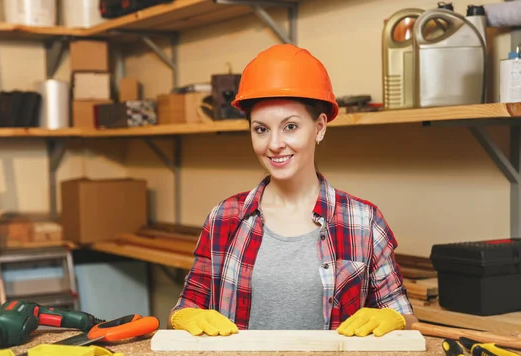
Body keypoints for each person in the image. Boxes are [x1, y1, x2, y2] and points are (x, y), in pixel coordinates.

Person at [168, 43, 418, 337]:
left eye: (290, 127)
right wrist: (182, 317)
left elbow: (406, 319)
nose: (274, 144)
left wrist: (396, 320)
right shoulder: (224, 218)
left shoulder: (363, 222)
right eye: (261, 129)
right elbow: (189, 305)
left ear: (320, 127)